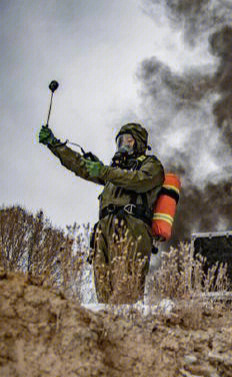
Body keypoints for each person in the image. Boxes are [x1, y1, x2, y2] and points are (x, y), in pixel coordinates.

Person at [38, 123, 164, 303]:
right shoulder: (112, 174)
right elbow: (81, 166)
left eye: (129, 140)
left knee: (127, 291)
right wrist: (54, 144)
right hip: (104, 231)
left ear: (140, 143)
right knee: (104, 291)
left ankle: (129, 326)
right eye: (120, 141)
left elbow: (139, 181)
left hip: (132, 230)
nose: (124, 145)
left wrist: (105, 171)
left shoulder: (151, 165)